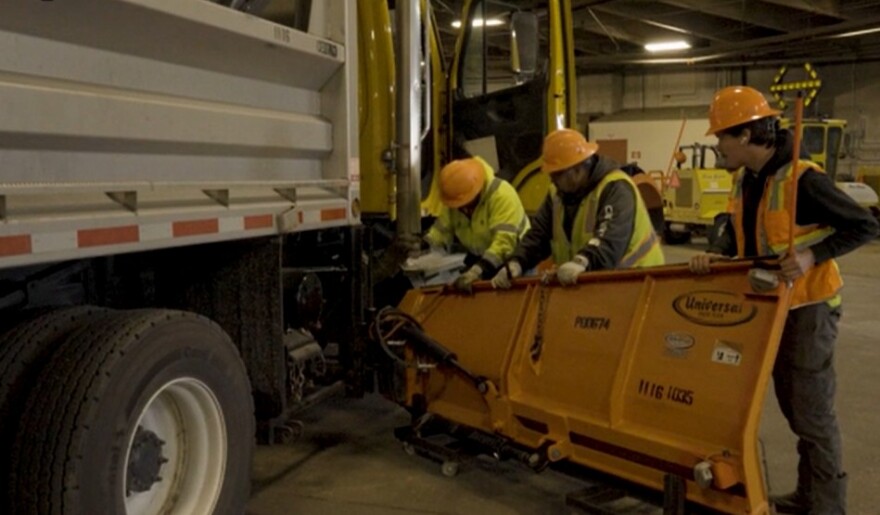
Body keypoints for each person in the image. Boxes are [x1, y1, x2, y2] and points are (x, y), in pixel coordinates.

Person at [689, 85, 880, 514]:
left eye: (721, 136)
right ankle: (809, 495)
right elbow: (750, 243)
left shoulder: (803, 179)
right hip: (769, 309)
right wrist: (716, 257)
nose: (717, 145)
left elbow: (865, 226)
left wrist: (813, 255)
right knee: (795, 410)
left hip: (808, 309)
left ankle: (827, 505)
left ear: (744, 136)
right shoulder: (748, 179)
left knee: (811, 415)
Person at [491, 128, 664, 289]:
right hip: (598, 285)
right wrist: (517, 262)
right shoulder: (557, 194)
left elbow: (610, 241)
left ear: (579, 168)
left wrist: (582, 262)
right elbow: (538, 235)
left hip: (639, 284)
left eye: (558, 174)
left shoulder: (615, 188)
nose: (552, 180)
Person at [424, 156, 530, 292]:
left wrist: (476, 272)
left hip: (514, 263)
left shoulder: (501, 195)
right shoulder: (456, 200)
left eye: (463, 204)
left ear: (475, 192)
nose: (460, 209)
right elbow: (442, 230)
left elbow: (503, 244)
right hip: (481, 261)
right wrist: (424, 244)